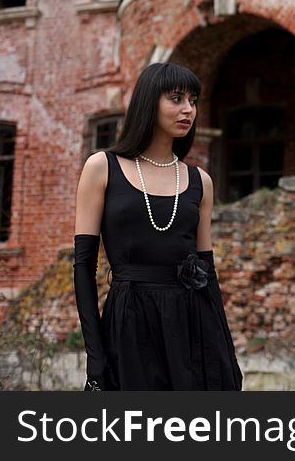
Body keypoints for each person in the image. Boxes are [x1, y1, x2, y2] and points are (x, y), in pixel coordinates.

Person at [73, 62, 243, 390]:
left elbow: (208, 274)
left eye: (193, 101)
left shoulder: (199, 181)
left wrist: (226, 353)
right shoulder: (102, 167)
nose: (188, 110)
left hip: (191, 325)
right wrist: (95, 354)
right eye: (176, 98)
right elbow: (83, 266)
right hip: (129, 322)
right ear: (149, 102)